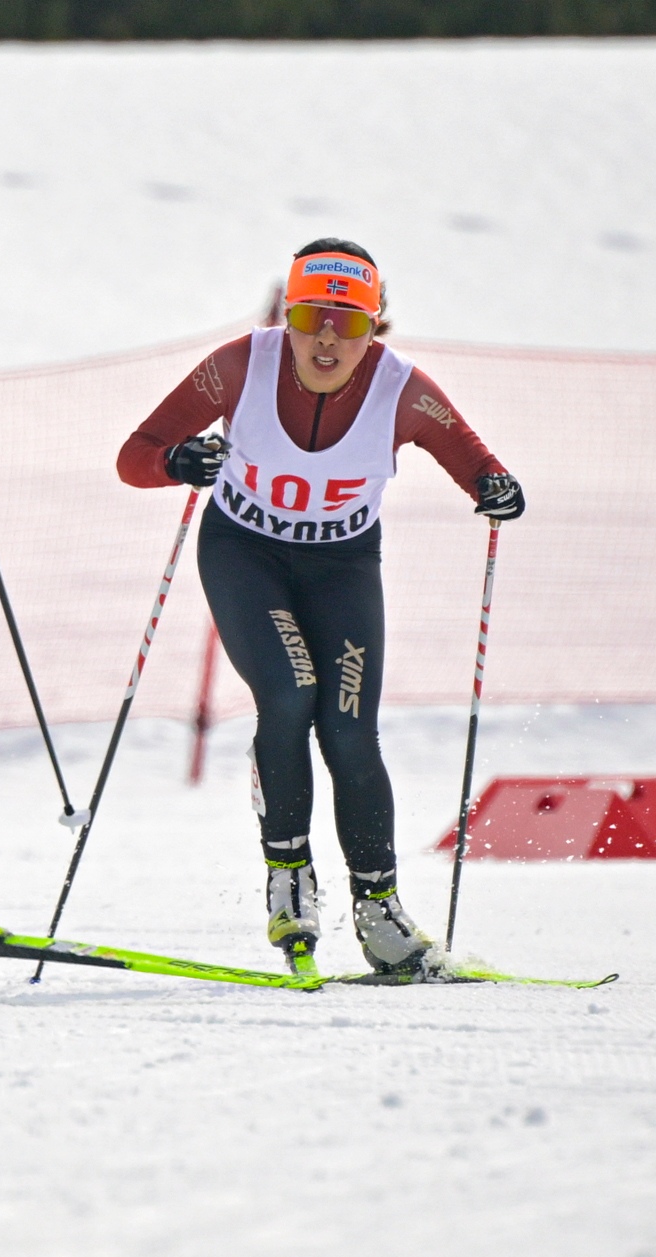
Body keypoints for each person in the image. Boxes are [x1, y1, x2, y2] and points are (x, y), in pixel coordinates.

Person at [116, 241, 525, 975]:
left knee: (349, 730)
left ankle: (381, 912)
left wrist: (495, 487)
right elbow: (135, 455)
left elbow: (475, 460)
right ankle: (289, 879)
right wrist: (174, 462)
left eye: (350, 323)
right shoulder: (239, 366)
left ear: (376, 327)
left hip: (342, 567)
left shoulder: (403, 390)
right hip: (245, 557)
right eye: (311, 318)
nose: (328, 339)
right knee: (289, 693)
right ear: (288, 318)